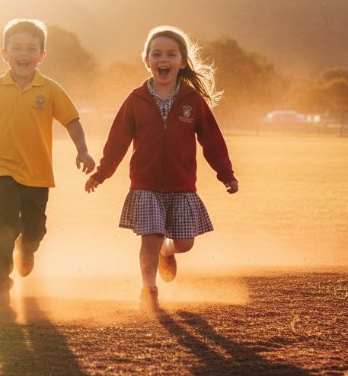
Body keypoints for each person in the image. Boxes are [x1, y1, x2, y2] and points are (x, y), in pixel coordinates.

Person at [85, 25, 238, 312]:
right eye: (156, 54)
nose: (163, 59)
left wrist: (226, 174)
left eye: (171, 54)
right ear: (146, 60)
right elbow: (117, 141)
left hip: (181, 187)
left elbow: (212, 141)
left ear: (182, 62)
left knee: (185, 242)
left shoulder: (192, 101)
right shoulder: (135, 100)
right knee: (151, 239)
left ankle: (170, 252)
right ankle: (149, 290)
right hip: (145, 186)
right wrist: (101, 174)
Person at [0, 18, 95, 301]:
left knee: (34, 229)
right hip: (2, 168)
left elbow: (72, 121)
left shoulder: (49, 90)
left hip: (38, 172)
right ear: (5, 53)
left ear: (41, 55)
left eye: (31, 48)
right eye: (17, 48)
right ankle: (0, 277)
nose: (23, 54)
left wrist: (82, 150)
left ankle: (27, 248)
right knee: (6, 221)